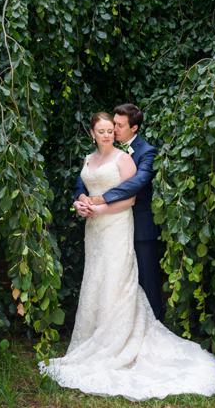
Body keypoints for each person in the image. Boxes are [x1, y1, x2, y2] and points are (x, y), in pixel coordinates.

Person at [39, 112, 215, 400]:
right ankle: (93, 336)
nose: (108, 134)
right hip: (94, 229)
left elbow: (131, 196)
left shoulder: (125, 159)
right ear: (92, 133)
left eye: (111, 129)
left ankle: (118, 339)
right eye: (102, 130)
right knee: (96, 277)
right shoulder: (88, 159)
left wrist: (97, 206)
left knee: (117, 277)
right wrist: (80, 204)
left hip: (116, 224)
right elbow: (82, 186)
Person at [74, 103, 163, 320]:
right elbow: (85, 179)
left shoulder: (146, 151)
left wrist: (101, 199)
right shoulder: (101, 151)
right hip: (105, 226)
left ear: (134, 128)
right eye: (112, 124)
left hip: (138, 223)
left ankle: (153, 325)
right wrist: (79, 199)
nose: (113, 130)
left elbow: (138, 181)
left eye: (119, 126)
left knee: (146, 279)